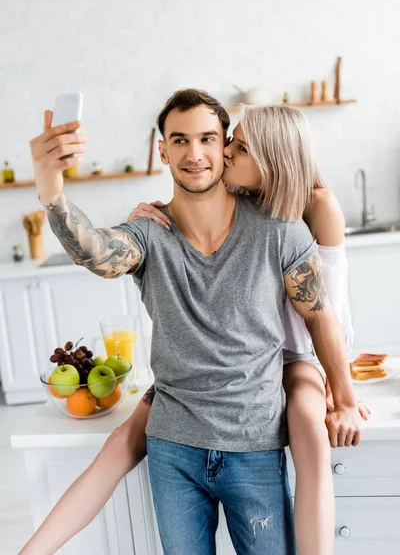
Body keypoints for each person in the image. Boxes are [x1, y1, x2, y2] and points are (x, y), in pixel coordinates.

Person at [21, 89, 362, 555]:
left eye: (208, 139)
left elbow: (321, 319)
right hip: (172, 450)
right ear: (162, 149)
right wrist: (51, 190)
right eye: (179, 140)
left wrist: (343, 398)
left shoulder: (280, 228)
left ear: (225, 146)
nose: (195, 153)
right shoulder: (148, 232)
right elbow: (97, 253)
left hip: (255, 447)